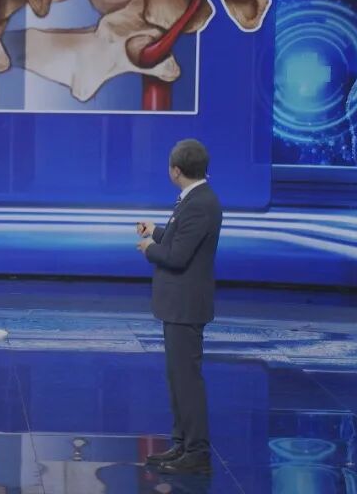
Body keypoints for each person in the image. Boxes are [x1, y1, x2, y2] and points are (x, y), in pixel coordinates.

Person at [135, 139, 222, 475]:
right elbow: (180, 239)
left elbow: (177, 257)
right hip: (178, 306)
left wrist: (148, 248)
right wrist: (157, 232)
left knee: (186, 381)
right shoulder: (194, 199)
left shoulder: (200, 203)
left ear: (175, 170)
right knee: (178, 379)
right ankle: (182, 444)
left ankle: (196, 451)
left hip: (186, 306)